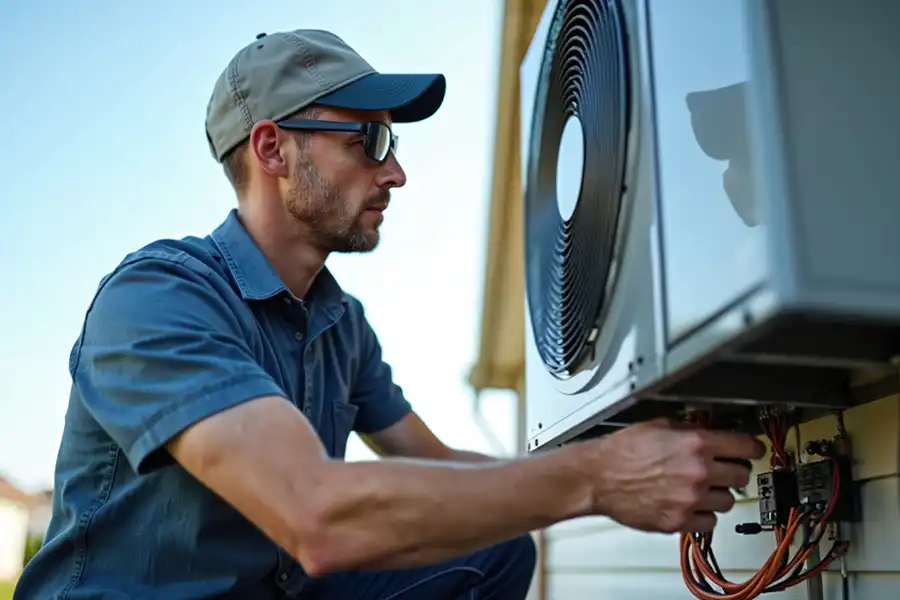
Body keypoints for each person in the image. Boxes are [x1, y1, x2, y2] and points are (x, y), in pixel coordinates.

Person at [14, 29, 764, 600]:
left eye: (392, 142)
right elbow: (315, 513)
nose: (396, 171)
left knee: (500, 550)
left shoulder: (341, 322)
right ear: (273, 149)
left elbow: (435, 463)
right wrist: (596, 479)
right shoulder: (157, 298)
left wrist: (623, 441)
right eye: (366, 139)